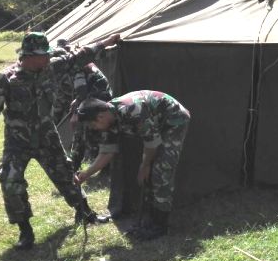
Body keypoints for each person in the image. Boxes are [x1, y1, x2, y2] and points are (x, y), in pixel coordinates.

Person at [0, 32, 120, 250]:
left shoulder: (51, 67)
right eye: (43, 55)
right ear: (29, 56)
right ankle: (25, 231)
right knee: (10, 181)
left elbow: (80, 55)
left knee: (65, 174)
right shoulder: (5, 79)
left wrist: (107, 42)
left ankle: (85, 213)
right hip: (17, 141)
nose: (47, 59)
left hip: (46, 136)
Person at [73, 91, 191, 240]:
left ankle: (160, 226)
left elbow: (152, 144)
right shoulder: (108, 121)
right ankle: (151, 218)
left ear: (101, 116)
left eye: (92, 124)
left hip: (174, 120)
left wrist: (145, 165)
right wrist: (86, 173)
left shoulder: (132, 110)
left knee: (161, 170)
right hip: (155, 126)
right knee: (150, 173)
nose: (93, 128)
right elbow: (107, 152)